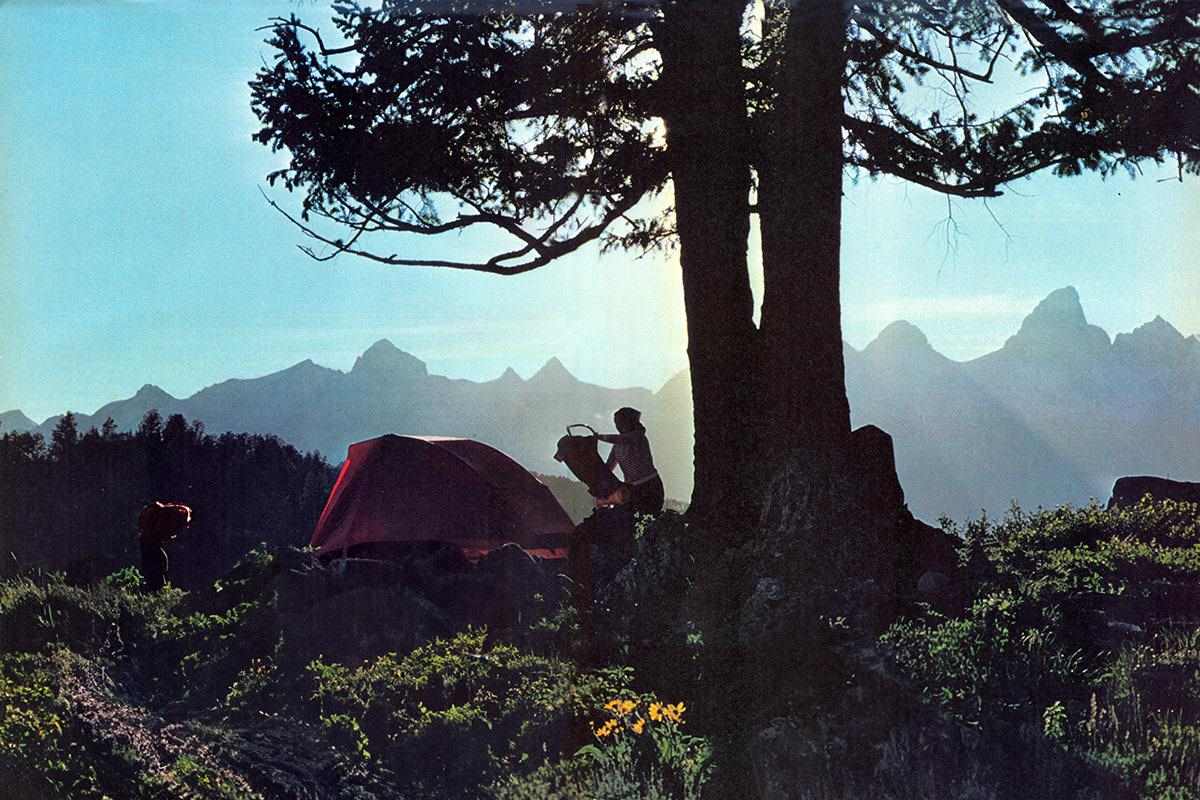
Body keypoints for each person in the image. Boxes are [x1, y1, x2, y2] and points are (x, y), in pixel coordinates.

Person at [595, 407, 664, 515]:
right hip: (632, 489)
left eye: (620, 422)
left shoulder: (638, 436)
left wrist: (598, 437)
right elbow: (609, 466)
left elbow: (622, 439)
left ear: (629, 422)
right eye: (616, 422)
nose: (617, 425)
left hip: (650, 487)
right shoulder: (617, 445)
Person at [137, 501, 192, 592]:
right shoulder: (170, 520)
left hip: (147, 540)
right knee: (158, 563)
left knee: (157, 563)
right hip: (149, 541)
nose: (186, 528)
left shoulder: (164, 515)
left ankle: (154, 588)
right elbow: (160, 534)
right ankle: (155, 589)